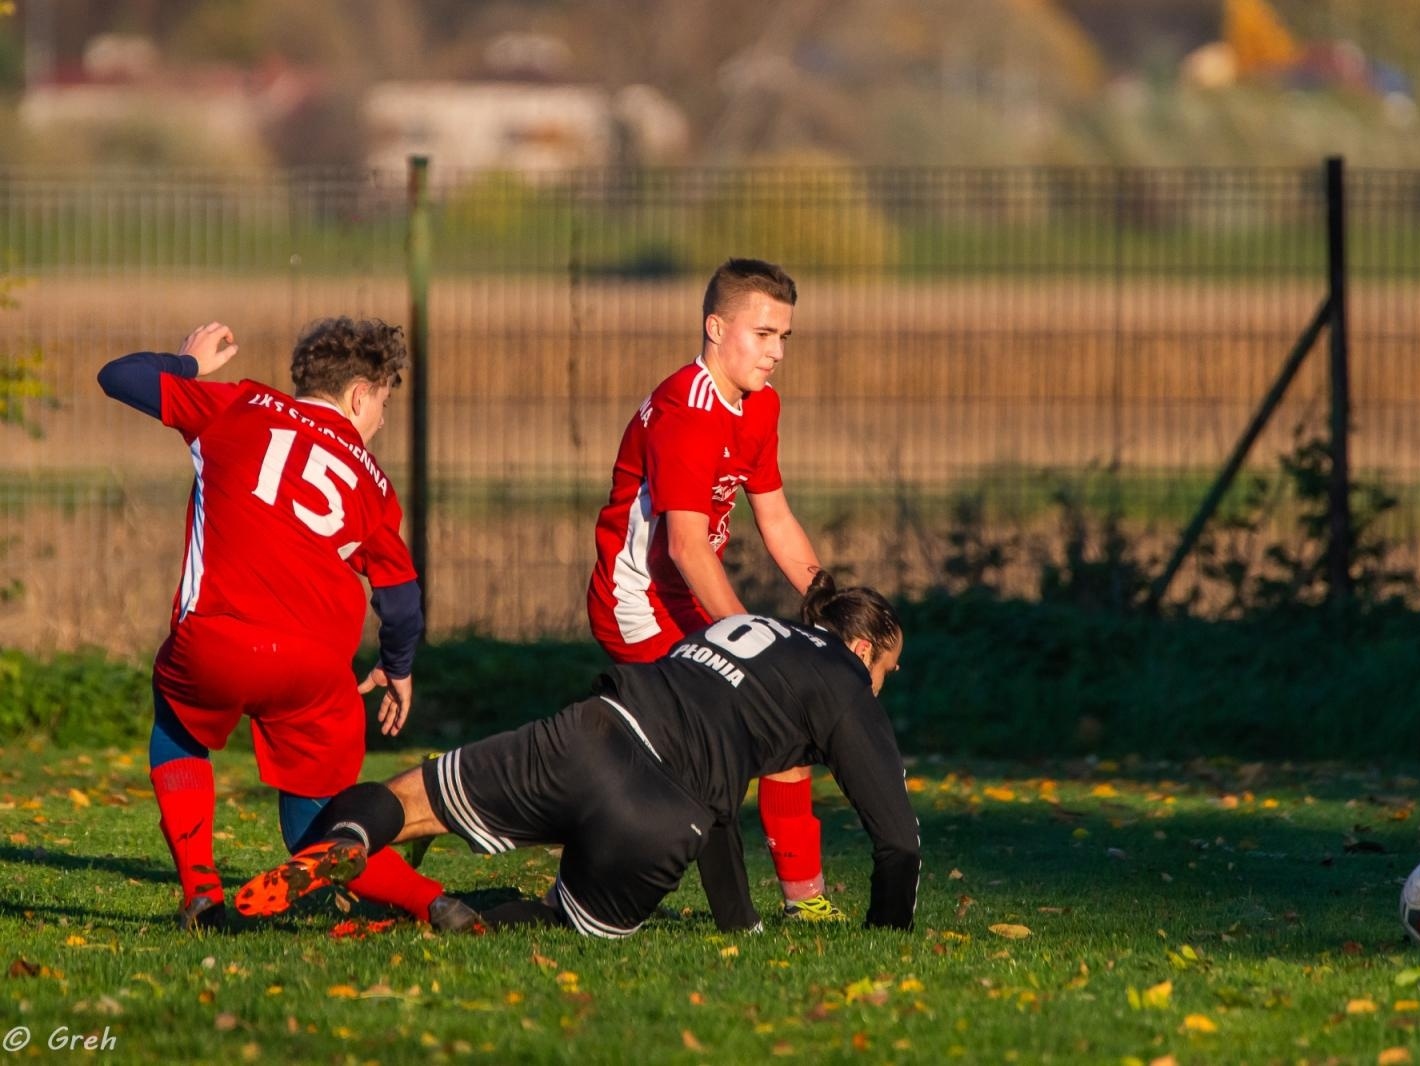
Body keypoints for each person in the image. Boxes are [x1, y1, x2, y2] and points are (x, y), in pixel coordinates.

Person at [234, 574, 921, 938]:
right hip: (661, 814)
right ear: (862, 649)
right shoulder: (844, 680)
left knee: (412, 800)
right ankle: (461, 921)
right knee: (561, 921)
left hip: (592, 731)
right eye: (885, 672)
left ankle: (352, 841)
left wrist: (740, 921)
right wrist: (887, 939)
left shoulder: (743, 627)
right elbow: (898, 841)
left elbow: (718, 788)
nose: (880, 688)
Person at [98, 318, 474, 932]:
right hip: (316, 671)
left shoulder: (239, 405)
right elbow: (402, 600)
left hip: (218, 641)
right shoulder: (373, 485)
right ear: (359, 395)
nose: (381, 420)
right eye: (383, 404)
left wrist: (189, 365)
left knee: (177, 728)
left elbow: (118, 376)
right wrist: (397, 666)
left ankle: (201, 892)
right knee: (316, 824)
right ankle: (433, 902)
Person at [587, 258, 841, 921]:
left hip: (687, 598)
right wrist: (751, 643)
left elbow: (775, 517)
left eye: (784, 337)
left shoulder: (761, 405)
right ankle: (529, 811)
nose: (776, 352)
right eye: (763, 334)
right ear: (716, 327)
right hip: (637, 604)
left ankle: (806, 901)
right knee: (706, 750)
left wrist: (828, 601)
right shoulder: (686, 412)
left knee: (783, 727)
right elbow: (685, 546)